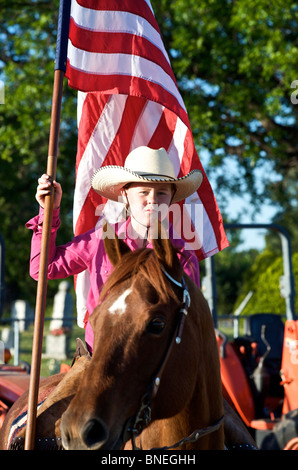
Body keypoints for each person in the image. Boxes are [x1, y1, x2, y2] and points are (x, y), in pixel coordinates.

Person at [26, 146, 203, 352]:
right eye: (143, 192)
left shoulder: (183, 254)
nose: (152, 200)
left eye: (161, 193)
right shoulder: (99, 239)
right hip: (98, 357)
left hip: (156, 363)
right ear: (125, 194)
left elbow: (191, 318)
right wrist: (49, 211)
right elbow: (41, 269)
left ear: (171, 198)